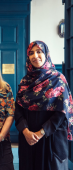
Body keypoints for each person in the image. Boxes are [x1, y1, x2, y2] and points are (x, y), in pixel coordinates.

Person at [14, 40, 73, 170]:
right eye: (31, 53)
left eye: (39, 51)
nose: (35, 56)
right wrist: (25, 132)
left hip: (51, 139)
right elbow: (17, 108)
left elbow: (62, 112)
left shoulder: (58, 79)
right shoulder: (25, 81)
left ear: (47, 54)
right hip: (28, 139)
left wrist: (41, 132)